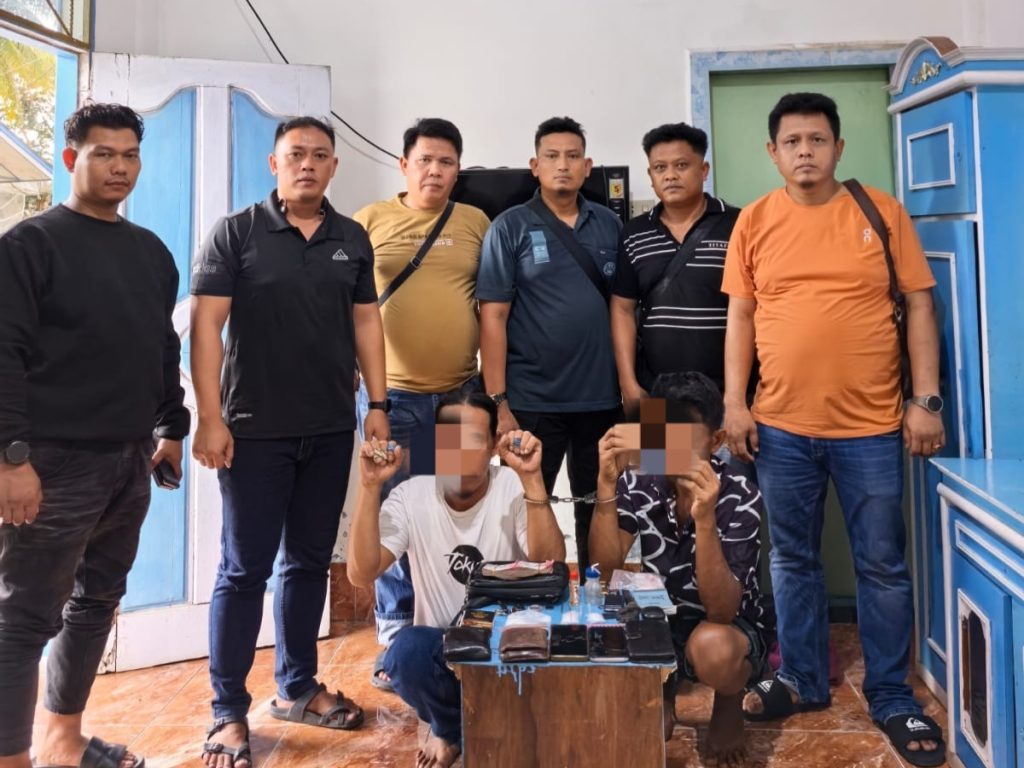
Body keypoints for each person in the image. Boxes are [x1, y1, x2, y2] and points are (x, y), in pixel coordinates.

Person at [721, 92, 945, 766]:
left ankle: (891, 695)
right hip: (780, 427)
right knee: (792, 559)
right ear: (773, 153)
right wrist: (735, 403)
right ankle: (801, 678)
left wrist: (926, 400)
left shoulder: (880, 212)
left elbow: (919, 304)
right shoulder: (756, 219)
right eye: (792, 142)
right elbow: (741, 316)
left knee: (881, 564)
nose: (805, 152)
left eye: (817, 140)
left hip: (872, 427)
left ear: (838, 147)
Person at [190, 116, 388, 768]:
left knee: (306, 563)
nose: (308, 164)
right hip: (253, 432)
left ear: (334, 167)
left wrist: (377, 405)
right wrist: (210, 418)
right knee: (243, 570)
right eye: (296, 154)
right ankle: (227, 712)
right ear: (274, 164)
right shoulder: (236, 232)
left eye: (320, 155)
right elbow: (207, 326)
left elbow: (367, 323)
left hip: (329, 429)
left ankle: (297, 687)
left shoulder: (350, 238)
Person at [0, 103, 190, 768]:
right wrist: (11, 459)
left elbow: (160, 347)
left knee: (97, 602)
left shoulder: (150, 253)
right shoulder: (30, 246)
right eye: (104, 153)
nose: (120, 167)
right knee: (25, 617)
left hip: (129, 460)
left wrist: (172, 425)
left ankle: (63, 738)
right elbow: (4, 354)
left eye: (130, 154)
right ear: (71, 159)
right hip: (50, 463)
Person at [347, 391, 566, 768]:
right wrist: (368, 488)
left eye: (474, 440)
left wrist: (532, 480)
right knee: (403, 655)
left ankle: (458, 728)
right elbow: (359, 573)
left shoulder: (512, 486)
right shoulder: (410, 495)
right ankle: (459, 727)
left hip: (507, 647)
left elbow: (551, 563)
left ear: (494, 446)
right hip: (443, 652)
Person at [352, 118, 490, 689]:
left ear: (458, 170)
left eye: (447, 162)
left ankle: (456, 625)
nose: (435, 171)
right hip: (393, 398)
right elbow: (349, 305)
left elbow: (492, 306)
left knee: (453, 510)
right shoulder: (369, 221)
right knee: (394, 511)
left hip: (459, 396)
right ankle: (394, 636)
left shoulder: (475, 222)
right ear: (404, 165)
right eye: (426, 160)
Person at [589, 372, 768, 765]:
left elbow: (722, 610)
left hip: (726, 628)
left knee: (712, 647)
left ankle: (728, 700)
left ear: (716, 442)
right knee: (599, 645)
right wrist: (605, 485)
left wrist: (704, 518)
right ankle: (663, 687)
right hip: (658, 619)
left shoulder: (741, 494)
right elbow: (603, 571)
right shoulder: (639, 479)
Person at [477, 116, 622, 577]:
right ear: (534, 165)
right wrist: (499, 403)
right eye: (552, 156)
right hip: (531, 402)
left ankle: (599, 606)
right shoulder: (509, 227)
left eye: (573, 156)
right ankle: (526, 608)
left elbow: (625, 311)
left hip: (602, 401)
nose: (563, 165)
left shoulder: (611, 226)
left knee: (601, 510)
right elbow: (492, 318)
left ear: (587, 166)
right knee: (523, 511)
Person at [611, 122, 742, 400]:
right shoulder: (634, 233)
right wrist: (629, 385)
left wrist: (739, 396)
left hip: (726, 394)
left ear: (703, 170)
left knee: (724, 433)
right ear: (651, 176)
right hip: (656, 393)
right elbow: (622, 309)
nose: (670, 175)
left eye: (681, 165)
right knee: (658, 433)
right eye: (660, 168)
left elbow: (754, 309)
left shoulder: (739, 224)